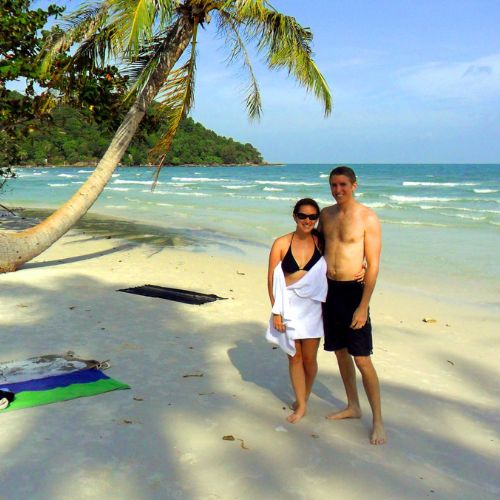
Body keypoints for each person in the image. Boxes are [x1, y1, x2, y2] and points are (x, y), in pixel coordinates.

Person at [318, 165, 386, 445]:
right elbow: (316, 247)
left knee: (362, 358)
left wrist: (363, 305)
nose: (338, 190)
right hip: (329, 290)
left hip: (354, 293)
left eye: (343, 185)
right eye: (334, 185)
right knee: (340, 352)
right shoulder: (326, 215)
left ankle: (378, 421)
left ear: (354, 185)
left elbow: (374, 264)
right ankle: (353, 406)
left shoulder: (367, 218)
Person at [266, 198, 327, 423]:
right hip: (288, 306)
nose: (307, 220)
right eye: (303, 216)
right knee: (294, 357)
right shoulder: (281, 244)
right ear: (295, 216)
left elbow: (340, 258)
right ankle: (301, 405)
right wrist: (277, 312)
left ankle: (304, 396)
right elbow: (272, 280)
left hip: (313, 308)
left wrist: (362, 266)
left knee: (310, 360)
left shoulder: (321, 243)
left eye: (313, 217)